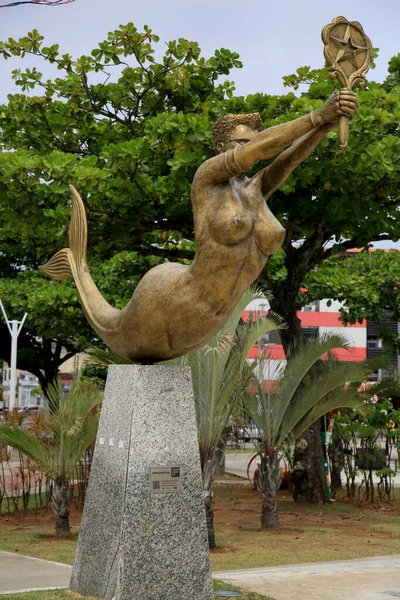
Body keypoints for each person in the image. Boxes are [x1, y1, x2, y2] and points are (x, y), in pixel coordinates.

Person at [41, 90, 358, 363]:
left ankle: (76, 264)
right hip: (167, 306)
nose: (255, 147)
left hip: (205, 325)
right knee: (114, 327)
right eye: (242, 142)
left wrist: (328, 122)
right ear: (222, 147)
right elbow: (257, 152)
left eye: (255, 141)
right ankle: (76, 265)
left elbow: (287, 159)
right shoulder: (207, 179)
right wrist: (318, 116)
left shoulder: (256, 191)